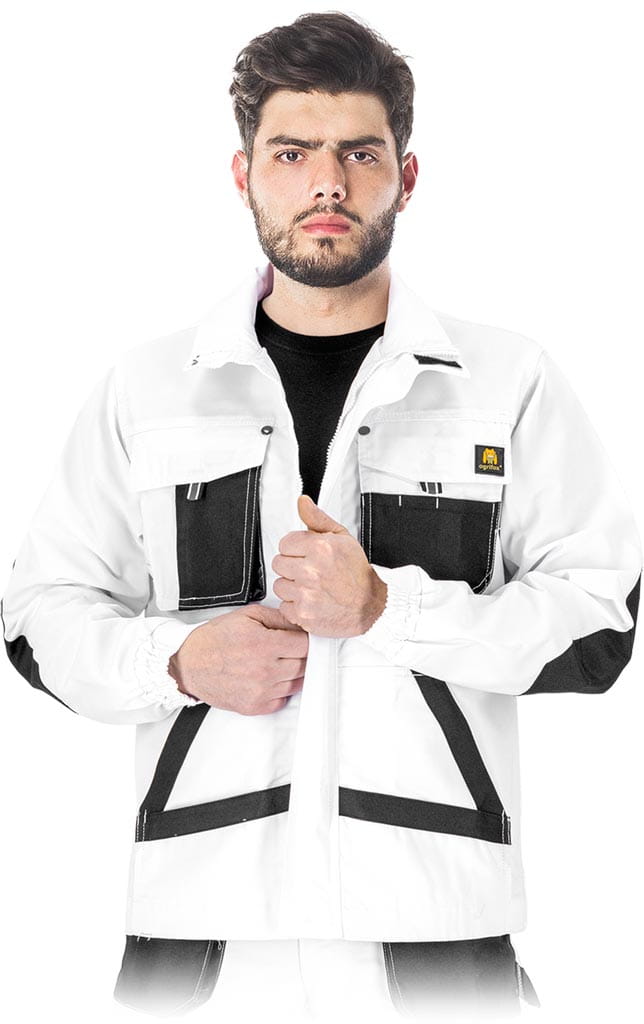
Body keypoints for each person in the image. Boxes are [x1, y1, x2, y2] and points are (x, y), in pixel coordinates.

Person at [1, 10, 641, 1023]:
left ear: (407, 176)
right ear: (244, 174)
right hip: (197, 932)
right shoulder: (150, 387)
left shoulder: (505, 381)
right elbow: (38, 615)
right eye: (292, 153)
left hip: (437, 926)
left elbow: (599, 626)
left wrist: (388, 609)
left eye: (359, 154)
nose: (327, 184)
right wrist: (177, 662)